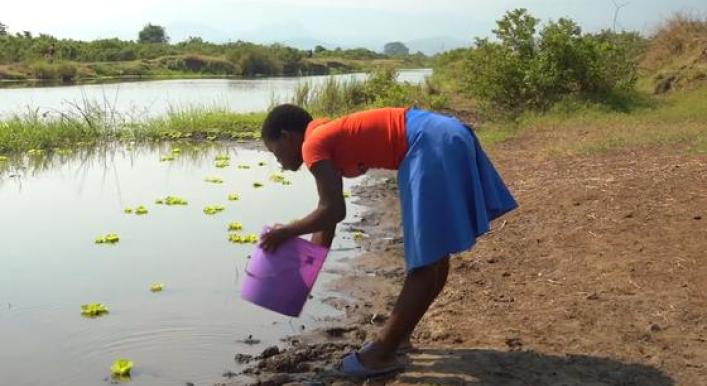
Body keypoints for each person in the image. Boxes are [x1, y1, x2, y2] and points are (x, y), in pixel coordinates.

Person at [259, 104, 517, 377]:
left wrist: (285, 232)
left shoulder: (314, 144)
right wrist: (301, 275)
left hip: (427, 142)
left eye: (276, 153)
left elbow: (333, 210)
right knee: (436, 255)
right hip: (443, 133)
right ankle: (399, 337)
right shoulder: (326, 136)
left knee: (425, 260)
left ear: (288, 136)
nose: (281, 164)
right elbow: (328, 218)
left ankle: (382, 352)